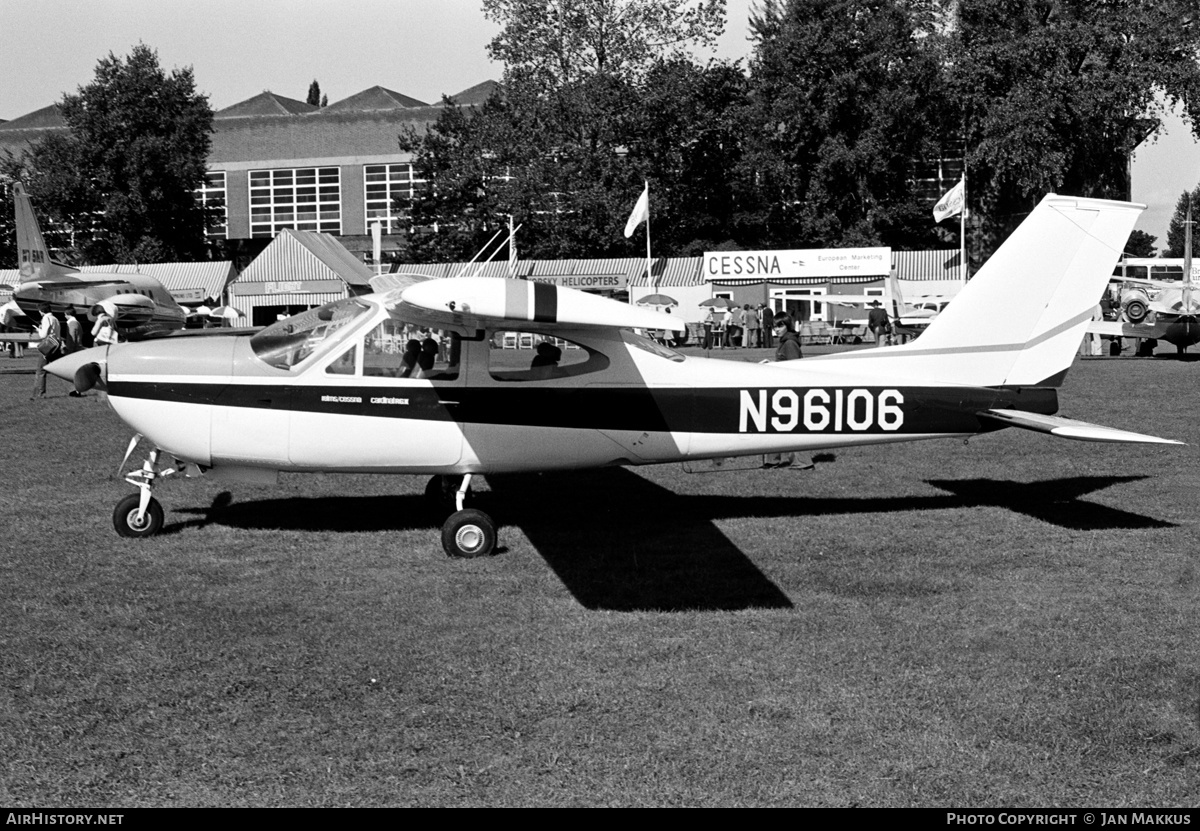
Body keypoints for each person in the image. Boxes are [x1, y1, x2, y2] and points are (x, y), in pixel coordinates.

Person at [31, 304, 61, 400]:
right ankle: (74, 388)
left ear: (41, 310)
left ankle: (39, 394)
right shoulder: (55, 318)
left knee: (40, 370)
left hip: (47, 346)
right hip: (56, 345)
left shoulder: (45, 318)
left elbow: (43, 335)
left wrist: (38, 329)